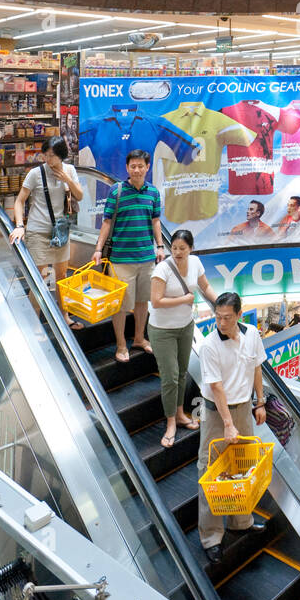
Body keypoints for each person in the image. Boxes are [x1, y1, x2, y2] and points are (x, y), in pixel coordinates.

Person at [197, 291, 268, 565]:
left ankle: (241, 521)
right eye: (218, 317)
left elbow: (257, 369)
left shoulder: (252, 335)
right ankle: (211, 536)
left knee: (243, 466)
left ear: (239, 315)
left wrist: (259, 403)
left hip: (243, 408)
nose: (221, 323)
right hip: (217, 412)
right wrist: (227, 424)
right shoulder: (210, 346)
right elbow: (216, 388)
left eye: (227, 317)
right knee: (210, 470)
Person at [92, 149, 165, 364]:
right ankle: (121, 344)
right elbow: (106, 222)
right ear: (127, 168)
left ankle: (140, 338)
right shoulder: (117, 191)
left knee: (143, 301)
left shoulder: (153, 192)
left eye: (141, 166)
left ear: (147, 167)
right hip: (121, 260)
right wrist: (98, 249)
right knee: (121, 305)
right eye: (133, 166)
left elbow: (155, 221)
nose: (137, 169)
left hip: (146, 258)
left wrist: (160, 246)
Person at [150, 229, 218, 449]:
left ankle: (179, 413)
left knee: (180, 373)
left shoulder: (196, 263)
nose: (177, 252)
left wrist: (222, 303)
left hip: (185, 327)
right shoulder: (162, 269)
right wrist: (184, 298)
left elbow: (205, 286)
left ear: (191, 248)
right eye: (175, 248)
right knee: (169, 377)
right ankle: (170, 422)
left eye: (182, 248)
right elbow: (156, 301)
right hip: (162, 331)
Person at [10, 137, 85, 327]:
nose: (48, 159)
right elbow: (20, 201)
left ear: (61, 156)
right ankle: (32, 322)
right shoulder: (35, 173)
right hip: (38, 231)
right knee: (40, 278)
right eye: (46, 154)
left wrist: (66, 179)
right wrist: (20, 225)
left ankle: (64, 316)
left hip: (60, 232)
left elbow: (80, 196)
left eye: (52, 156)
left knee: (62, 276)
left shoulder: (70, 170)